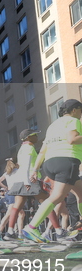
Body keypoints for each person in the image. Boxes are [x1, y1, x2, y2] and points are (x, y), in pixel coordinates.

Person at [23, 99, 82, 243]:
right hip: (66, 161)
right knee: (57, 197)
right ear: (74, 110)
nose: (81, 114)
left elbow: (43, 150)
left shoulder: (53, 126)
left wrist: (35, 169)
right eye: (80, 110)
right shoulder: (73, 121)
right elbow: (72, 139)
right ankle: (31, 227)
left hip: (49, 164)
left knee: (81, 192)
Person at [3, 129, 62, 241]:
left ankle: (10, 232)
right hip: (30, 180)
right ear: (28, 137)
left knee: (16, 206)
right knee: (47, 204)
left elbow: (22, 166)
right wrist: (27, 182)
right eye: (34, 135)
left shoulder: (22, 148)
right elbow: (26, 165)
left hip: (22, 180)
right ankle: (59, 231)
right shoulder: (29, 148)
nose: (37, 137)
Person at [0, 159, 24, 241]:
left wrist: (6, 187)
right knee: (10, 213)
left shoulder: (7, 173)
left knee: (21, 214)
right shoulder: (18, 171)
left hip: (9, 192)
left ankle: (20, 234)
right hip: (15, 192)